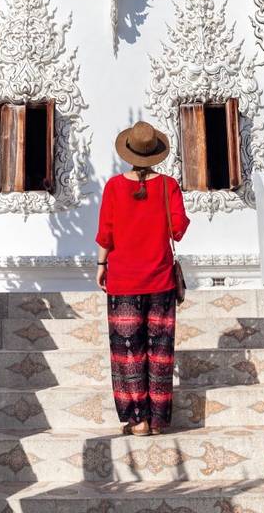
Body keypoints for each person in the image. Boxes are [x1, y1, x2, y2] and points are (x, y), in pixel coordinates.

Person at [95, 121, 189, 437]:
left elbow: (106, 233)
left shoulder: (113, 187)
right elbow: (179, 229)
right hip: (160, 280)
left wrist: (100, 264)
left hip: (123, 281)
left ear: (129, 152)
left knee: (128, 353)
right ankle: (158, 420)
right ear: (155, 153)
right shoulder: (168, 186)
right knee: (160, 351)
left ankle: (138, 421)